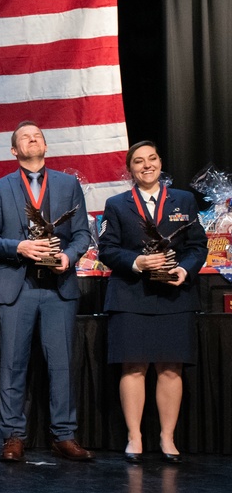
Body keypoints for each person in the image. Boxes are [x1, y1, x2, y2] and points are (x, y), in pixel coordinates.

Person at [0, 121, 94, 463]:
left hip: (58, 287)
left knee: (62, 365)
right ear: (14, 151)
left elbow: (82, 236)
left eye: (38, 135)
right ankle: (13, 436)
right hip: (17, 286)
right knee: (13, 365)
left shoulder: (68, 184)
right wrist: (21, 247)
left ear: (46, 146)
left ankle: (64, 435)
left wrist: (67, 257)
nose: (33, 138)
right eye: (25, 137)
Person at [98, 141, 207, 464]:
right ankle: (135, 437)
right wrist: (137, 263)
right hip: (131, 295)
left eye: (153, 158)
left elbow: (197, 246)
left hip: (174, 294)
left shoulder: (184, 200)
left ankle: (167, 438)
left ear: (161, 162)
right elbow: (107, 249)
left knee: (171, 368)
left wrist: (184, 270)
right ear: (130, 169)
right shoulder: (117, 205)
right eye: (139, 161)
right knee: (133, 367)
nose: (147, 165)